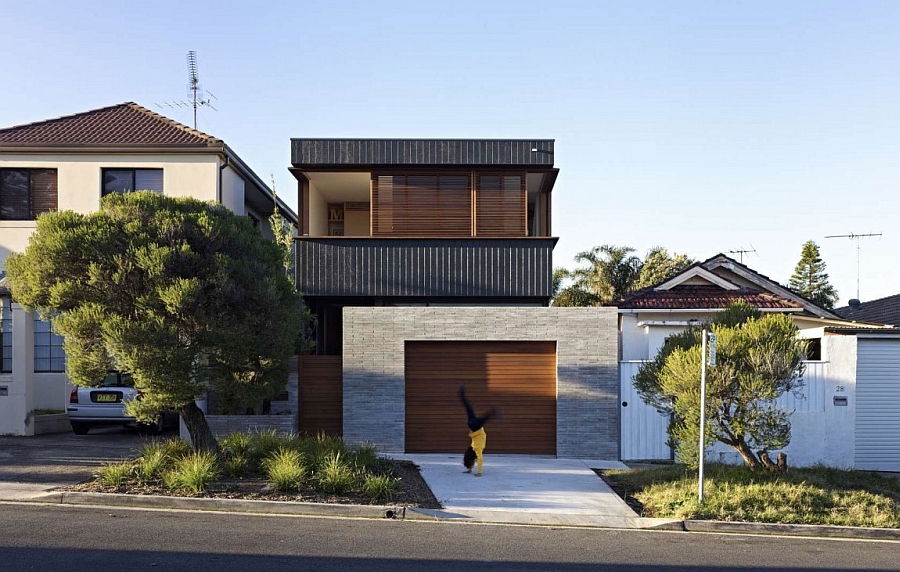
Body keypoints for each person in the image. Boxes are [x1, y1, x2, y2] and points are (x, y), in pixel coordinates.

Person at [459, 385, 498, 476]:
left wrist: (479, 472)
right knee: (469, 409)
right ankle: (462, 393)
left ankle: (462, 394)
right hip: (472, 424)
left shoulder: (476, 448)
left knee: (483, 417)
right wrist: (476, 471)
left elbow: (479, 458)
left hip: (476, 426)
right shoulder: (473, 447)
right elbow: (477, 458)